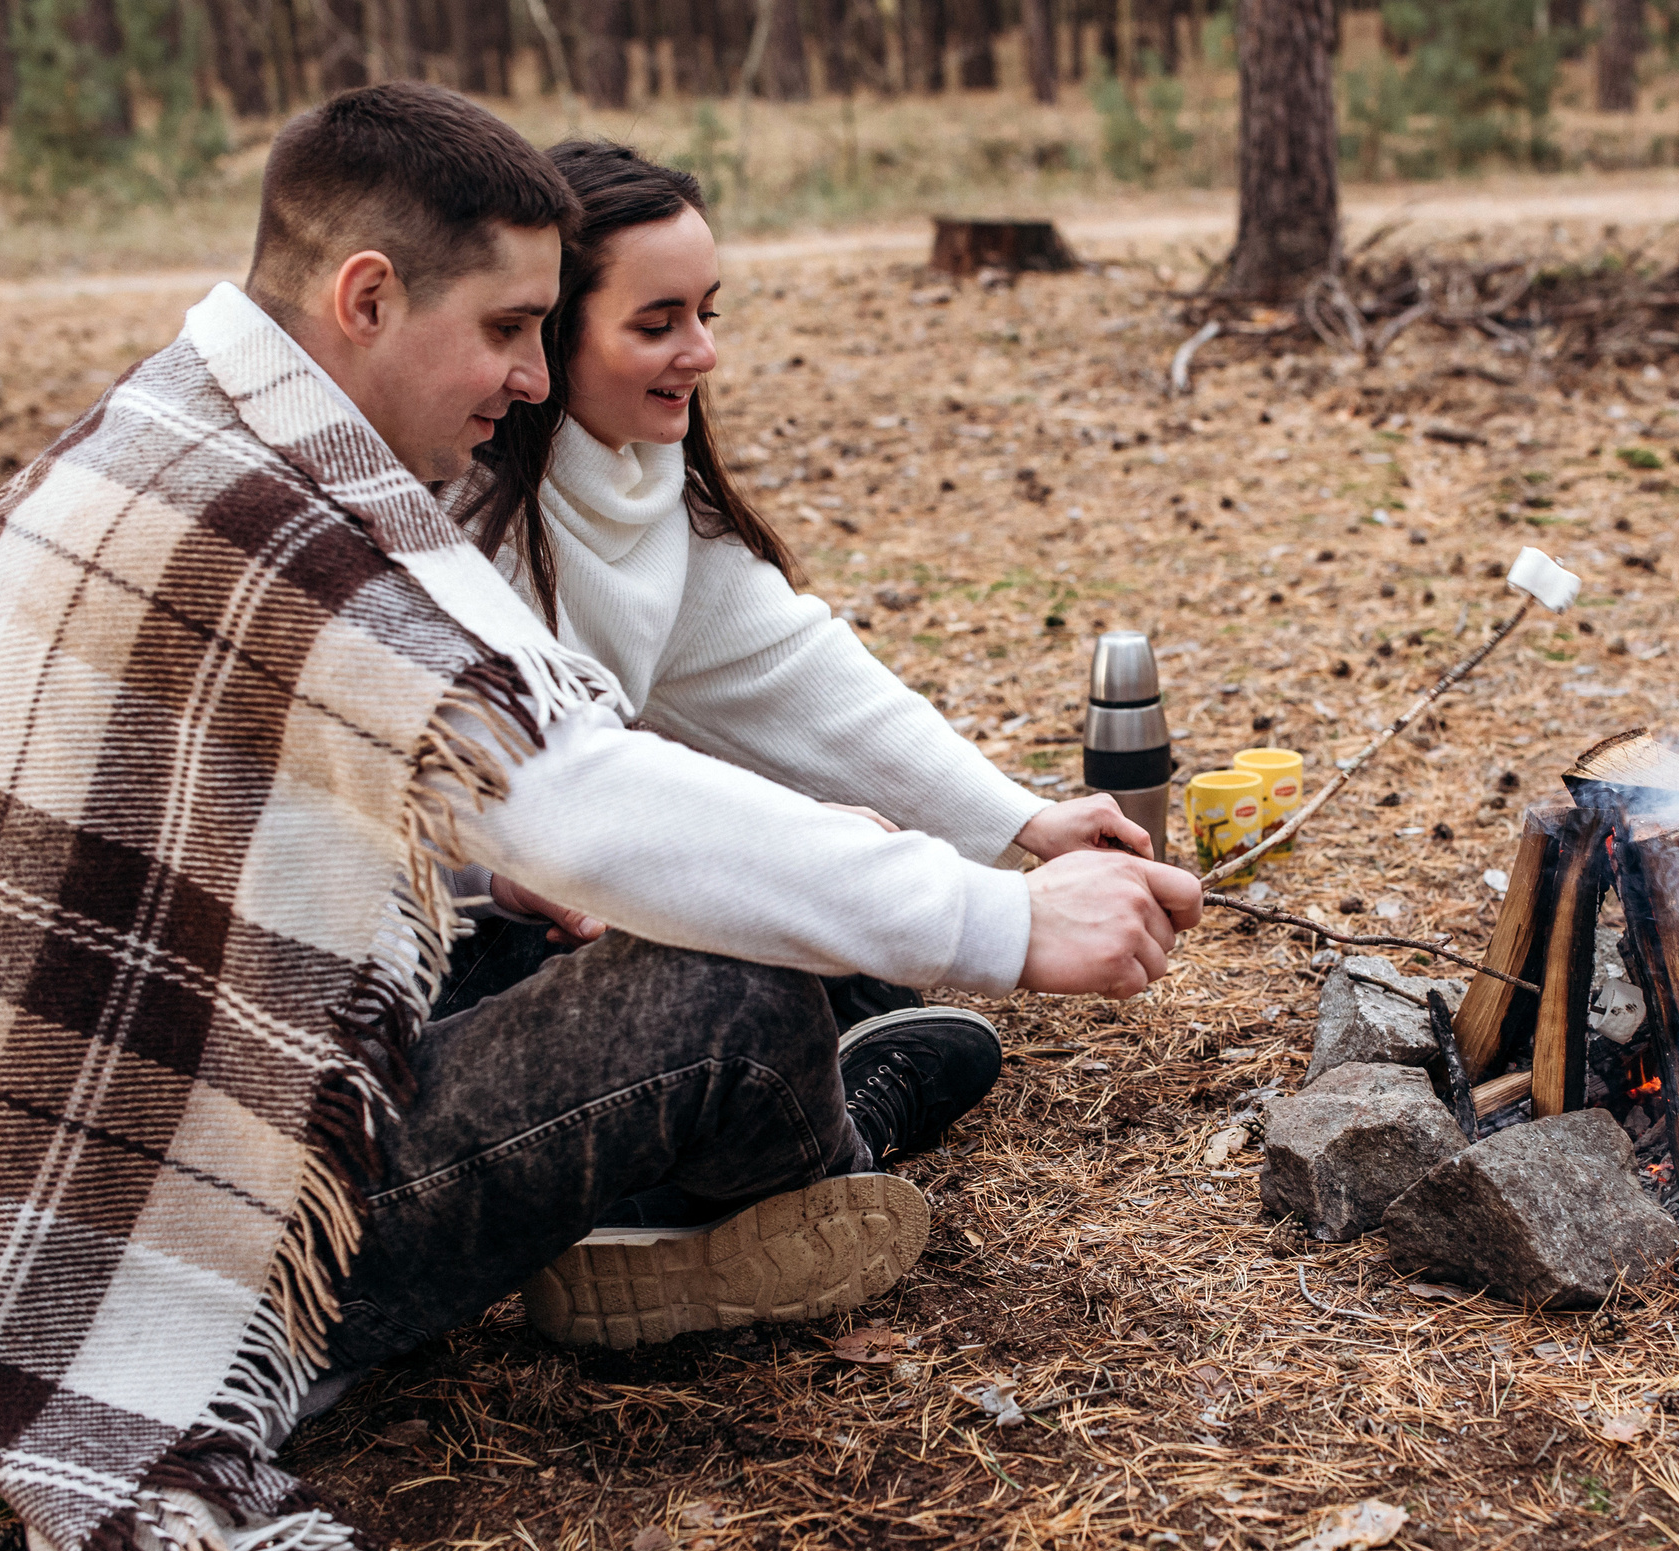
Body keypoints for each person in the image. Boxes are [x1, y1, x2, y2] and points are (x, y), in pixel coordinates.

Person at [0, 82, 1198, 1551]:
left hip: (59, 1188)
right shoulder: (313, 537)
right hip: (181, 1263)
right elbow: (577, 806)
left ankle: (743, 1159)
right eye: (507, 328)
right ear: (367, 296)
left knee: (727, 929)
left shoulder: (168, 436)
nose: (528, 373)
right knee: (731, 995)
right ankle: (789, 1165)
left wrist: (1007, 830)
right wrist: (1006, 918)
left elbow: (758, 684)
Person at [444, 139, 1166, 1313]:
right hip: (456, 965)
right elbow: (490, 804)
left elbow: (799, 677)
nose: (702, 352)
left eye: (707, 312)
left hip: (568, 904)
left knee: (882, 983)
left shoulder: (641, 491)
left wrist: (1022, 823)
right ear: (548, 332)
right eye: (658, 321)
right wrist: (530, 888)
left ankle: (779, 1115)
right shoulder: (458, 518)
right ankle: (780, 1161)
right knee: (807, 978)